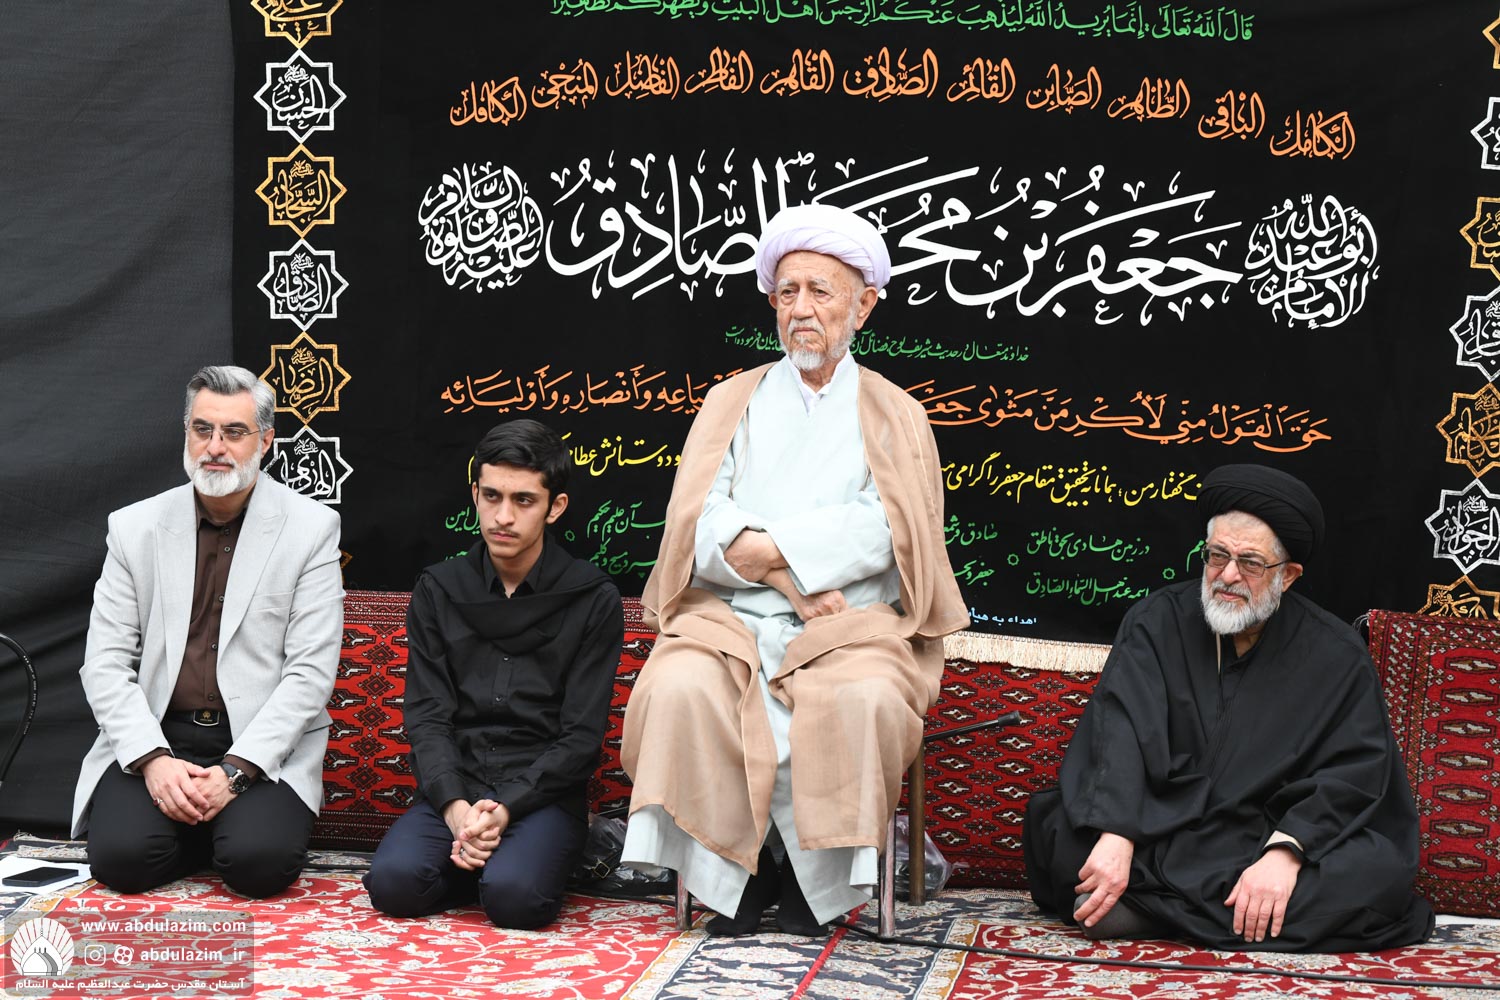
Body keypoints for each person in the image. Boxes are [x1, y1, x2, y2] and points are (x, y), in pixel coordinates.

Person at [620, 204, 970, 936]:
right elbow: (697, 524)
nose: (801, 309)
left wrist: (764, 549)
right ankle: (734, 872)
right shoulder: (731, 402)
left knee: (864, 697)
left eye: (820, 291)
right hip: (729, 620)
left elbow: (890, 529)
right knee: (680, 685)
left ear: (863, 306)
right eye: (788, 292)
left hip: (852, 627)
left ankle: (818, 883)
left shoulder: (897, 413)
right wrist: (785, 580)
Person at [1023, 464, 1435, 951]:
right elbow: (1119, 732)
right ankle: (1209, 912)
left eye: (1251, 563)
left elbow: (1354, 772)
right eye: (1217, 556)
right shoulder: (1156, 622)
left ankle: (1147, 909)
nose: (1228, 575)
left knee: (1376, 873)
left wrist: (1287, 852)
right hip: (1159, 825)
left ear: (1288, 576)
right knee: (1061, 836)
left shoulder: (1337, 655)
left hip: (1259, 837)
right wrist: (1118, 834)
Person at [71, 365, 343, 898]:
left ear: (266, 440)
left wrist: (235, 772)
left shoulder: (311, 529)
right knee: (122, 862)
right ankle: (203, 829)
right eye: (203, 429)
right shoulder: (134, 527)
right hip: (159, 730)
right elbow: (104, 663)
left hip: (255, 742)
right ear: (187, 432)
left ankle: (215, 831)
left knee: (258, 866)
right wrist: (152, 760)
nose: (215, 447)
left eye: (234, 432)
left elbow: (310, 676)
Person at [364, 419, 623, 929]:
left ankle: (511, 860)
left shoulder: (592, 598)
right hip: (456, 787)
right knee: (393, 885)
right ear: (475, 495)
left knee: (515, 900)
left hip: (543, 794)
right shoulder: (440, 589)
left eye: (524, 500)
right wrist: (458, 810)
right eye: (492, 496)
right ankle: (483, 856)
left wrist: (505, 809)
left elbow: (580, 737)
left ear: (555, 507)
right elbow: (427, 715)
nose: (503, 517)